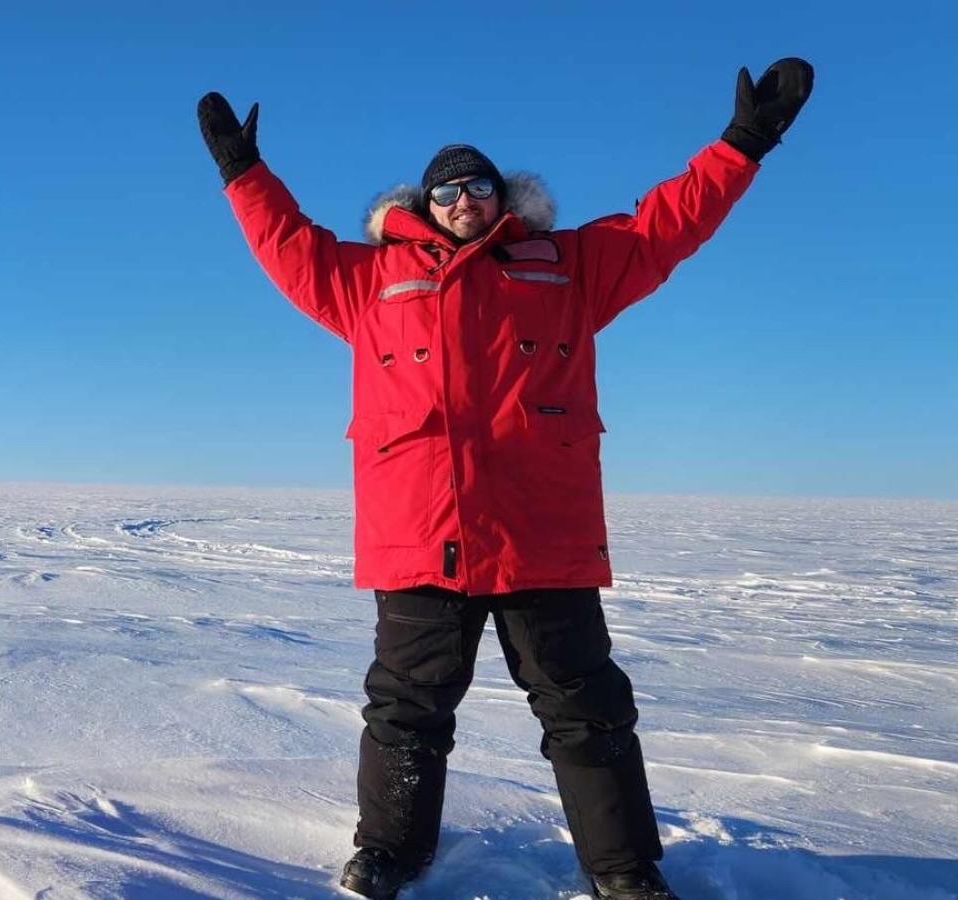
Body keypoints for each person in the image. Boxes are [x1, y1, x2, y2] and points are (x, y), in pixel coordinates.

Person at [196, 58, 813, 900]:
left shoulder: (569, 266)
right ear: (420, 205)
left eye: (478, 186)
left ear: (504, 196)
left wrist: (744, 142)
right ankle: (390, 851)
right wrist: (244, 172)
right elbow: (287, 244)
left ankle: (624, 869)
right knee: (407, 713)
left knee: (586, 712)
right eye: (446, 191)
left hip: (539, 535)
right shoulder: (369, 280)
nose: (463, 201)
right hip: (420, 533)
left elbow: (669, 223)